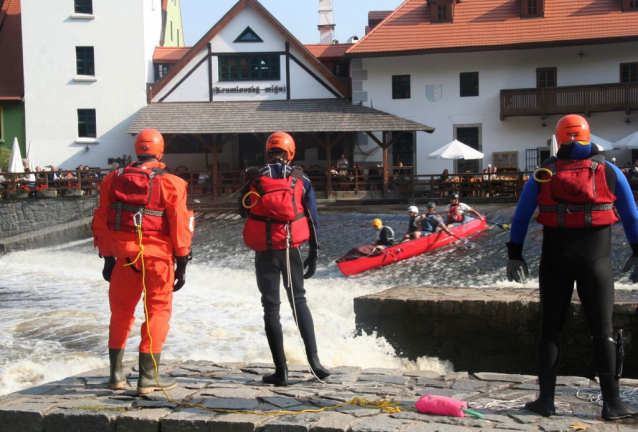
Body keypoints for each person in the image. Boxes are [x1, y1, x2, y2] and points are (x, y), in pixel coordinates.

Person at [506, 114, 638, 421]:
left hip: (554, 260)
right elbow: (631, 216)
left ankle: (545, 402)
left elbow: (521, 218)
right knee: (602, 331)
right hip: (597, 260)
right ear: (589, 135)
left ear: (558, 138)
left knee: (550, 330)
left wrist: (515, 254)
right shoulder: (609, 170)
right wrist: (636, 251)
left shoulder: (543, 173)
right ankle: (613, 403)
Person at [92, 128, 194, 394]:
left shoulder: (112, 179)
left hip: (124, 255)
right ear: (160, 152)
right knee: (157, 311)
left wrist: (106, 258)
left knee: (121, 312)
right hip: (158, 258)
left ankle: (116, 375)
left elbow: (101, 219)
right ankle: (148, 377)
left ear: (137, 149)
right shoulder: (173, 183)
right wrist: (181, 264)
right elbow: (180, 227)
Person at [239, 131, 329, 386]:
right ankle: (315, 363)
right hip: (291, 249)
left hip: (265, 250)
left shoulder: (254, 176)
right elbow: (312, 218)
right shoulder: (300, 177)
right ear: (291, 153)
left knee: (271, 308)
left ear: (268, 151)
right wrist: (314, 252)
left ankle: (281, 371)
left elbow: (243, 209)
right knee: (298, 300)